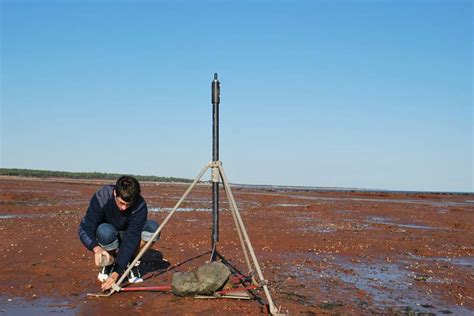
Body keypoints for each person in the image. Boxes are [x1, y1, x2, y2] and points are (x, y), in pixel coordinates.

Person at [78, 175, 159, 291]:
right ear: (115, 193)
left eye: (128, 205)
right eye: (121, 203)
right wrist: (96, 248)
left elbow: (131, 239)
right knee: (104, 231)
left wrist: (117, 273)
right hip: (109, 234)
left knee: (153, 228)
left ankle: (131, 262)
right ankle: (109, 262)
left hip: (128, 236)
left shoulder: (140, 205)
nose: (124, 208)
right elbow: (85, 228)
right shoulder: (102, 197)